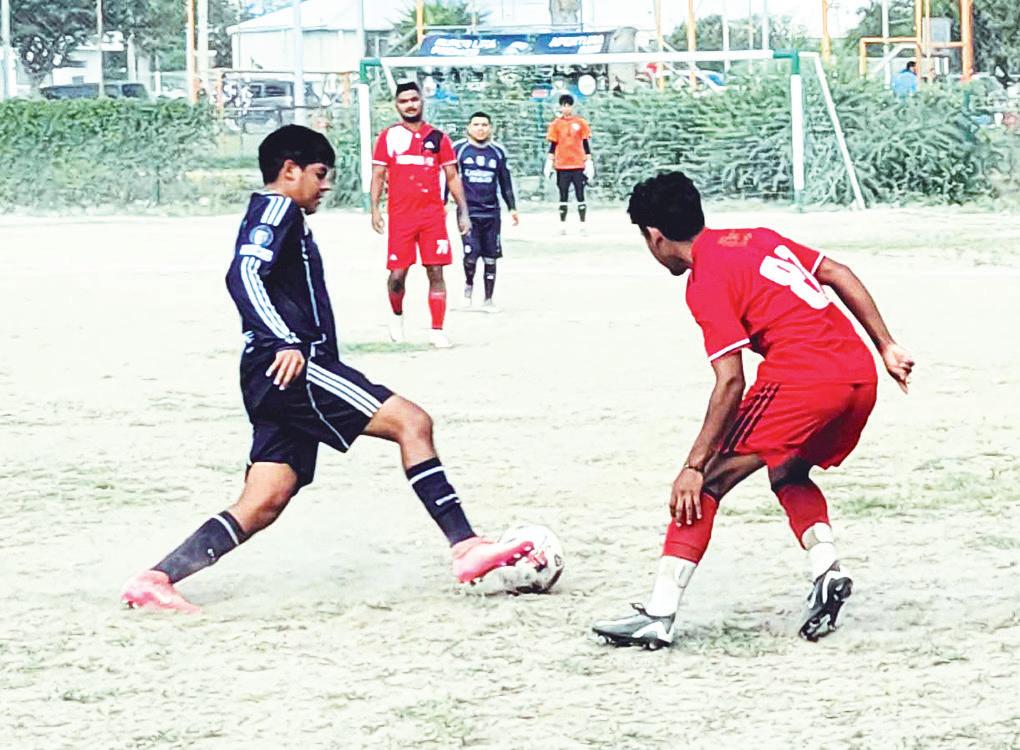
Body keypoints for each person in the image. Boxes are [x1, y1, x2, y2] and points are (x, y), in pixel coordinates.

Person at [120, 125, 533, 613]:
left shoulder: (278, 213)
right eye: (319, 174)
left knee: (265, 499)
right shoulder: (277, 208)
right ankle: (466, 546)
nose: (326, 185)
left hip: (269, 372)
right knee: (412, 422)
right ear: (289, 170)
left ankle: (155, 578)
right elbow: (242, 273)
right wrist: (284, 340)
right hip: (294, 365)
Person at [592, 172, 915, 649]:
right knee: (788, 469)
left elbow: (730, 381)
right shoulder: (756, 237)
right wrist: (886, 345)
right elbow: (838, 272)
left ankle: (658, 614)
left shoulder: (704, 281)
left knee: (706, 485)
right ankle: (826, 569)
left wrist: (693, 465)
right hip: (858, 376)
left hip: (804, 381)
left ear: (655, 236)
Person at [371, 81, 471, 349]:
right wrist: (375, 209)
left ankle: (437, 330)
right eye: (404, 101)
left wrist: (463, 211)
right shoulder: (389, 137)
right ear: (397, 105)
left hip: (432, 217)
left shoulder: (438, 137)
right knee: (397, 275)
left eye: (414, 100)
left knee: (436, 271)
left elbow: (452, 176)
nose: (410, 105)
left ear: (421, 101)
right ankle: (396, 316)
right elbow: (378, 175)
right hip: (401, 216)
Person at [453, 111, 519, 311]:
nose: (480, 129)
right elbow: (450, 178)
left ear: (490, 128)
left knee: (491, 257)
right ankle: (468, 290)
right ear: (468, 127)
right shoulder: (459, 150)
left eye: (484, 125)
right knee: (471, 255)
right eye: (476, 125)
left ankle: (488, 299)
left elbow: (505, 181)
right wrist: (443, 202)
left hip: (491, 213)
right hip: (467, 213)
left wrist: (512, 207)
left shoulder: (497, 152)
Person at [544, 94, 593, 234]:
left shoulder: (580, 123)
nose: (566, 108)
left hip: (578, 165)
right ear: (560, 107)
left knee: (580, 194)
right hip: (562, 166)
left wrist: (588, 161)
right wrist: (549, 161)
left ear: (572, 107)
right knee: (563, 195)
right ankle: (562, 225)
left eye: (568, 106)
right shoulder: (556, 124)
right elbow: (553, 144)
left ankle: (583, 224)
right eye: (564, 106)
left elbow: (585, 142)